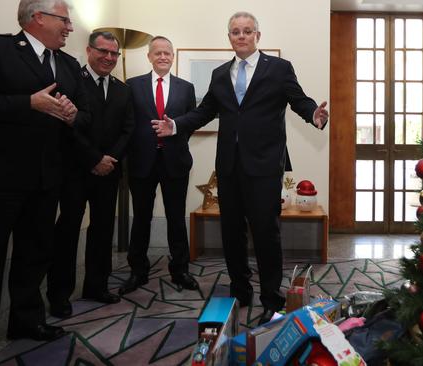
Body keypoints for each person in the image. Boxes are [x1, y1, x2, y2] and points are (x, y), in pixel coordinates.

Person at [154, 11, 329, 325]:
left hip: (264, 166)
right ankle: (240, 288)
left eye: (248, 31)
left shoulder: (278, 69)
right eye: (236, 31)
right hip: (229, 166)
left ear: (257, 36)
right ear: (230, 37)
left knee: (265, 234)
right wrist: (177, 125)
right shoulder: (221, 73)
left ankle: (271, 298)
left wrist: (313, 114)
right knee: (231, 232)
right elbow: (206, 110)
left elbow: (298, 99)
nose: (242, 36)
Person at [0, 0, 89, 358]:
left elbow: (85, 115)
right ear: (38, 18)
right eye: (65, 20)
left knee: (34, 254)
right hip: (0, 179)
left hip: (48, 179)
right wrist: (27, 103)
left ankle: (27, 320)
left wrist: (74, 115)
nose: (70, 28)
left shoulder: (70, 64)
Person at [46, 31, 135, 317]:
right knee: (68, 231)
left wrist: (111, 159)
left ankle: (97, 286)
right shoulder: (71, 83)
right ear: (89, 50)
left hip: (109, 173)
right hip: (75, 170)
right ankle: (59, 294)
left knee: (102, 230)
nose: (109, 58)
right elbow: (67, 126)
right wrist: (95, 158)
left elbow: (128, 129)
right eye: (103, 51)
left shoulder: (123, 90)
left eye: (114, 53)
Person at [119, 36, 200, 295]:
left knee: (176, 218)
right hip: (141, 164)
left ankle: (181, 270)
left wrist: (173, 137)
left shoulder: (186, 88)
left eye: (167, 53)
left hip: (174, 162)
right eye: (158, 53)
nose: (163, 56)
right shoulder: (132, 86)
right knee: (141, 218)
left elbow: (190, 123)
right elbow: (127, 124)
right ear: (149, 56)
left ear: (173, 56)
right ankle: (137, 271)